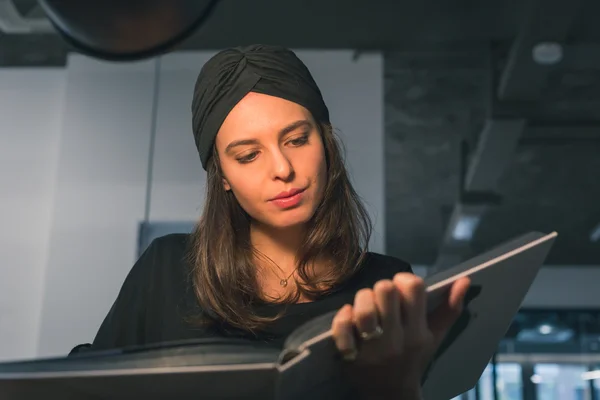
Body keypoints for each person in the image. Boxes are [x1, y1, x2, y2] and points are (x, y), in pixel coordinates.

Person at [72, 44, 470, 399]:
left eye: (297, 140)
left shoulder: (386, 283)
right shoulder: (167, 267)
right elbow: (86, 386)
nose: (282, 169)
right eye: (248, 155)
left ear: (325, 143)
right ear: (223, 176)